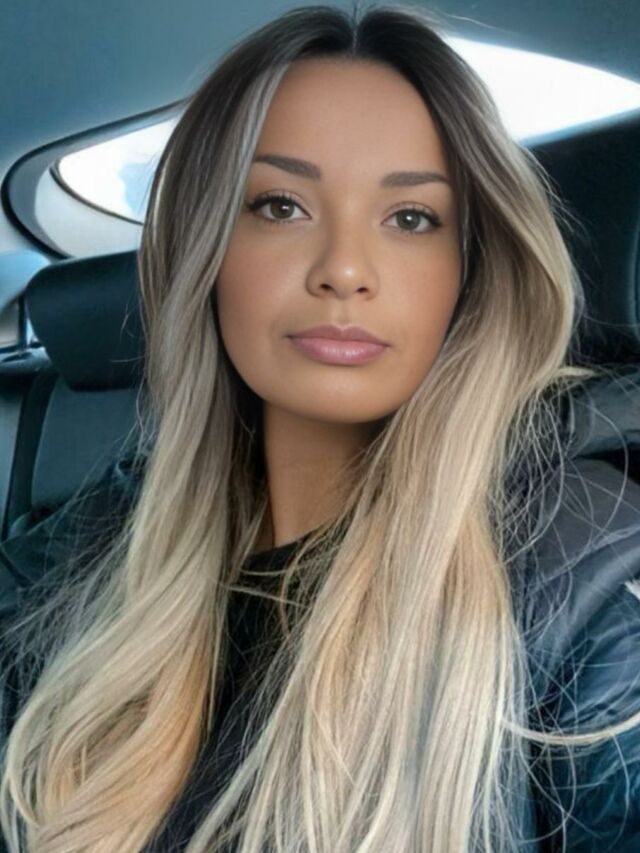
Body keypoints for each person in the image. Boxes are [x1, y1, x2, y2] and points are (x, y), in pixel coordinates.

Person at [1, 2, 640, 850]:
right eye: (280, 206)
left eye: (411, 218)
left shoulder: (588, 581)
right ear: (204, 248)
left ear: (471, 270)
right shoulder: (79, 567)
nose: (343, 268)